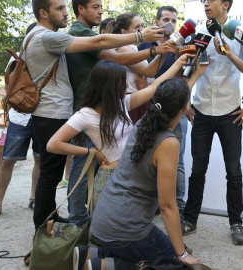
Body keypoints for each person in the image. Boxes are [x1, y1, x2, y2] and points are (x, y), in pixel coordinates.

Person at [24, 1, 162, 265]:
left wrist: (156, 49)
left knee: (60, 175)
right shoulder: (50, 35)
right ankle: (53, 236)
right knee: (57, 176)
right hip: (62, 113)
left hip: (68, 112)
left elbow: (123, 59)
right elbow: (106, 47)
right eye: (59, 8)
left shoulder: (54, 36)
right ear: (44, 13)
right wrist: (143, 38)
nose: (63, 12)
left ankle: (61, 231)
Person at [74, 74, 207, 270]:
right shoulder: (168, 142)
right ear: (185, 106)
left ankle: (91, 254)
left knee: (154, 251)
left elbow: (172, 97)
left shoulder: (144, 123)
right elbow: (168, 206)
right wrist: (183, 254)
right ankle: (104, 265)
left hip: (103, 218)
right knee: (177, 265)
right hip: (126, 229)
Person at [64, 0, 177, 225]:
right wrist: (150, 44)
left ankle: (99, 219)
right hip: (91, 111)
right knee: (83, 170)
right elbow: (116, 55)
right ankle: (77, 223)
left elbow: (148, 72)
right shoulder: (80, 32)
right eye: (95, 6)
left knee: (105, 169)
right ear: (81, 9)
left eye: (101, 7)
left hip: (111, 109)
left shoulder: (100, 37)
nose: (101, 11)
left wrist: (162, 51)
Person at [47, 54, 192, 212]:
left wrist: (178, 63)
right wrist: (90, 152)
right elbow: (53, 144)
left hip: (129, 174)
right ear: (108, 86)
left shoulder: (120, 105)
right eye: (121, 83)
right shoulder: (85, 115)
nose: (126, 86)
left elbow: (153, 87)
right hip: (111, 179)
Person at [182, 0, 243, 246]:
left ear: (225, 4)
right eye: (203, 1)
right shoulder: (198, 34)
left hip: (230, 112)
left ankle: (236, 222)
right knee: (197, 170)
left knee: (234, 171)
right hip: (202, 111)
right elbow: (188, 69)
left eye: (210, 0)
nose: (205, 3)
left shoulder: (238, 34)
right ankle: (190, 219)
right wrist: (186, 100)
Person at [0, 22, 43, 223]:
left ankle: (33, 198)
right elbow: (10, 86)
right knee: (7, 160)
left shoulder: (53, 56)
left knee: (40, 159)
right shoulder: (16, 58)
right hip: (20, 117)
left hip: (44, 115)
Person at [138, 5, 188, 219]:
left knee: (177, 161)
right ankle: (151, 203)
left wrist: (187, 105)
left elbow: (187, 79)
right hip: (147, 109)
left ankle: (178, 205)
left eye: (174, 20)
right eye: (166, 19)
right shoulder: (143, 45)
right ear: (157, 22)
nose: (170, 24)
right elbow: (140, 79)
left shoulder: (184, 46)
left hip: (176, 112)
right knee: (146, 156)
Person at [107, 12, 178, 123]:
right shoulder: (124, 48)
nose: (142, 30)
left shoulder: (133, 47)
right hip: (131, 102)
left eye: (141, 26)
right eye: (137, 27)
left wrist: (164, 50)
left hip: (137, 100)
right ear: (124, 32)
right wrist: (162, 50)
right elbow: (149, 71)